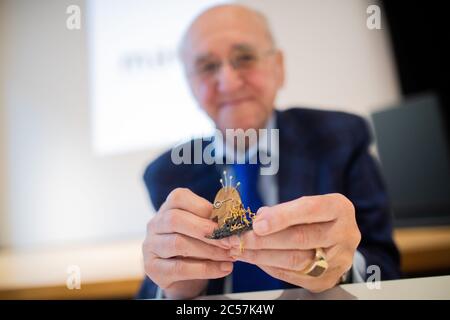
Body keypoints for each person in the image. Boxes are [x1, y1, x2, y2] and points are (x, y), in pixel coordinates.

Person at [138, 4, 400, 299]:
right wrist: (176, 288)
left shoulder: (340, 138)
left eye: (245, 58)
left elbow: (386, 269)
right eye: (207, 67)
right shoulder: (167, 173)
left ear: (278, 67)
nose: (228, 81)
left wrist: (340, 269)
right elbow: (153, 286)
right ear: (190, 85)